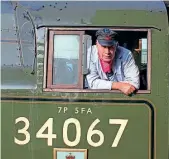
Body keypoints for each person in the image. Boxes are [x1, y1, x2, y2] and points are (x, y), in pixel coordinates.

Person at [86, 28, 140, 95]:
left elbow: (134, 83)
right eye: (103, 46)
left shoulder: (126, 54)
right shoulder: (90, 53)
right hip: (96, 99)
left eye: (110, 47)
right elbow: (92, 83)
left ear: (116, 45)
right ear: (97, 44)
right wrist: (119, 86)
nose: (107, 52)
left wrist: (103, 85)